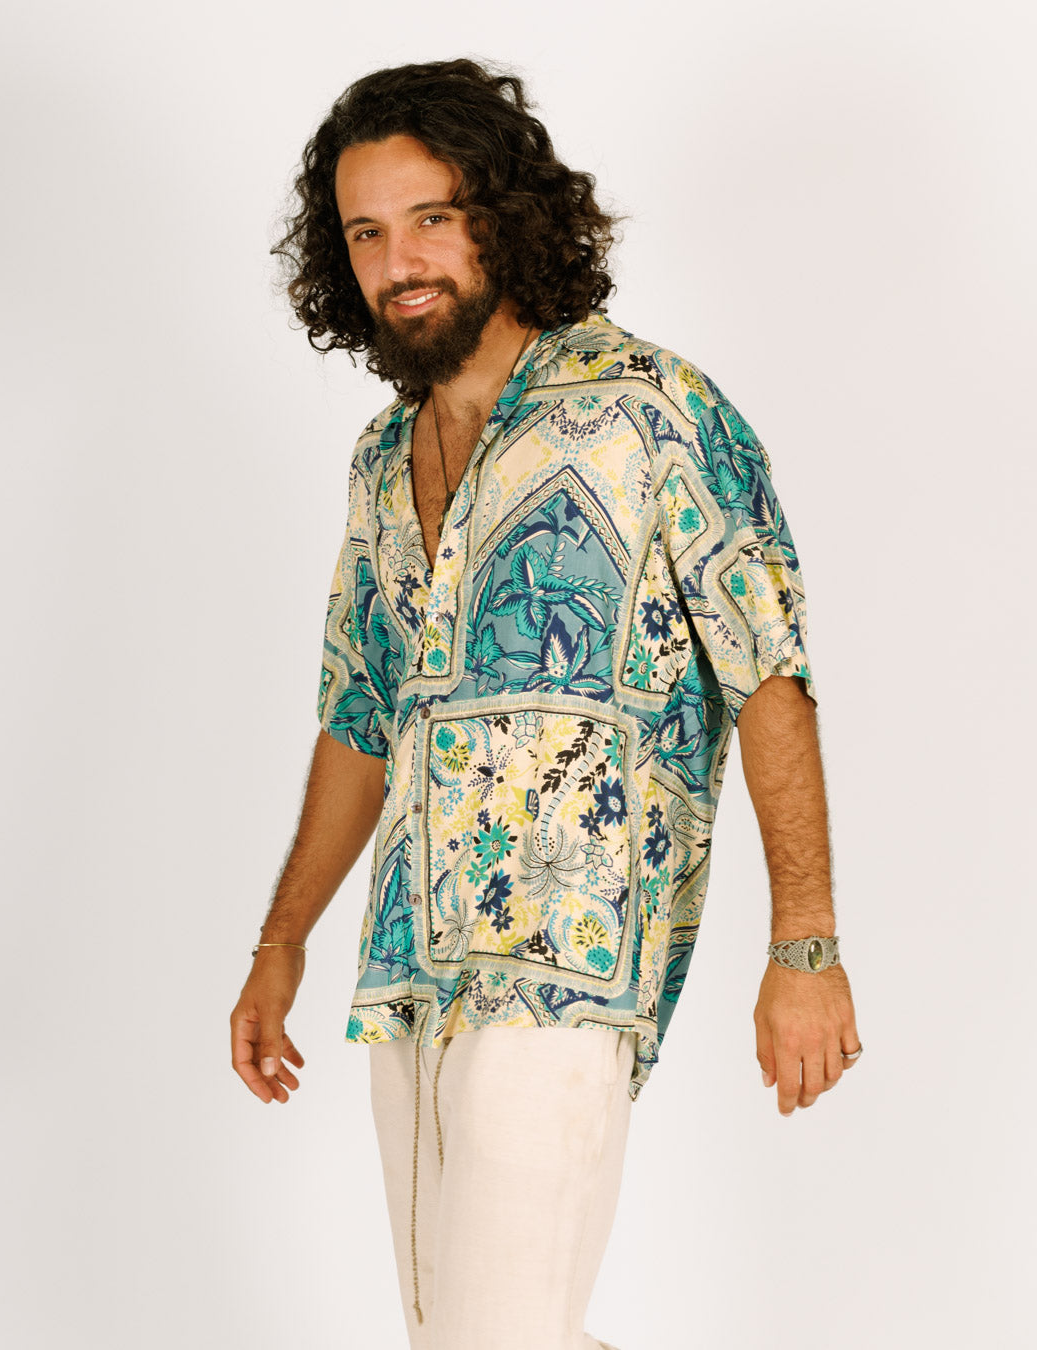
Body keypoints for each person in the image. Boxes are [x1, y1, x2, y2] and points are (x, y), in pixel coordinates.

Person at [229, 57, 862, 1350]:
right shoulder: (380, 461)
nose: (399, 260)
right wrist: (280, 938)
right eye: (365, 232)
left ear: (503, 215)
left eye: (431, 217)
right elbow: (359, 716)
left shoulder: (652, 410)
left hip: (569, 967)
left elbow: (768, 674)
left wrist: (805, 945)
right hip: (410, 972)